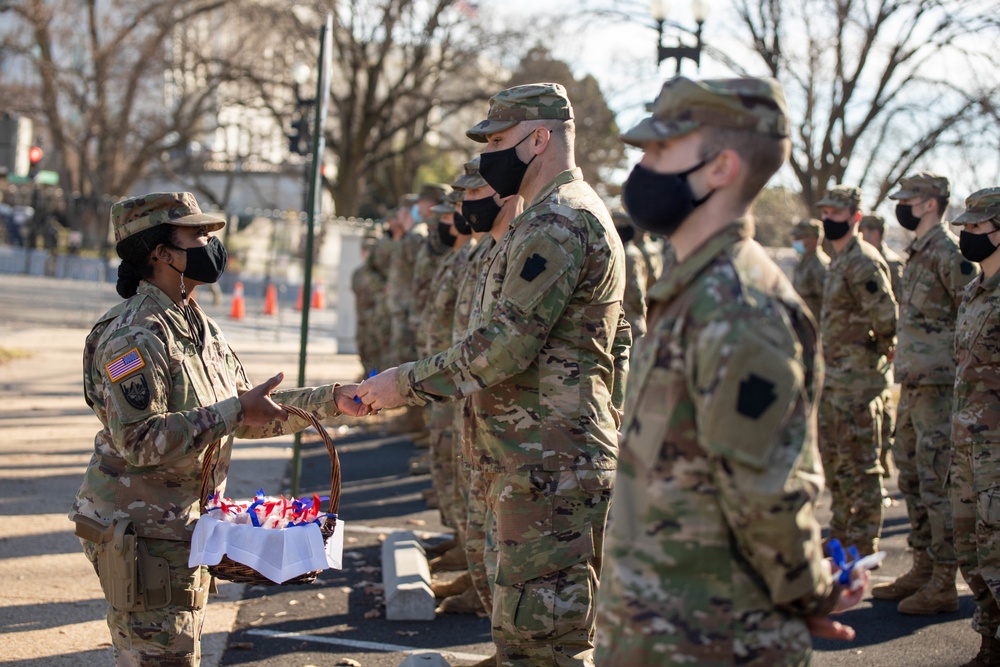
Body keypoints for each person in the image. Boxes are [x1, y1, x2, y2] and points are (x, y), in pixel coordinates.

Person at [593, 75, 866, 666]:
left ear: (721, 168)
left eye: (661, 149)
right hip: (655, 632)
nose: (641, 166)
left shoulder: (739, 307)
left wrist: (810, 589)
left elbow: (766, 492)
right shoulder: (695, 289)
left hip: (712, 642)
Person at [357, 82, 630, 666]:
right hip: (538, 463)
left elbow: (502, 347)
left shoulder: (560, 222)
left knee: (544, 649)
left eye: (499, 141)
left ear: (540, 139)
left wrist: (400, 384)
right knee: (525, 641)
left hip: (551, 469)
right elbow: (617, 342)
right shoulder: (549, 218)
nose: (488, 157)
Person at [68, 192, 369, 666]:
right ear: (162, 253)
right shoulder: (134, 335)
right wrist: (231, 412)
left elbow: (249, 409)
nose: (212, 245)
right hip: (142, 533)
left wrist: (331, 401)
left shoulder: (196, 322)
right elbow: (139, 441)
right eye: (198, 236)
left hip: (183, 529)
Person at [871, 172, 976, 614]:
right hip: (913, 385)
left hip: (938, 388)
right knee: (911, 475)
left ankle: (942, 580)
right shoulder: (918, 251)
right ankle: (921, 564)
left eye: (908, 200)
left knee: (936, 483)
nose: (902, 206)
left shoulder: (949, 253)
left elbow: (968, 311)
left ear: (930, 204)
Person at [816, 184, 898, 558]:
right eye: (826, 212)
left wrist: (874, 358)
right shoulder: (839, 260)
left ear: (856, 217)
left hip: (860, 383)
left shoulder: (863, 260)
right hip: (834, 382)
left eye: (836, 213)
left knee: (862, 466)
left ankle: (864, 545)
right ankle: (841, 536)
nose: (828, 219)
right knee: (836, 465)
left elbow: (886, 318)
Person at [948, 187, 1000, 667]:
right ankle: (991, 640)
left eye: (976, 227)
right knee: (969, 548)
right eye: (963, 227)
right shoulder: (972, 291)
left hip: (998, 452)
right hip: (966, 445)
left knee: (999, 552)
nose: (967, 235)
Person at [613, 210, 648, 341]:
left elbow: (635, 288)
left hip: (626, 319)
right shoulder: (630, 253)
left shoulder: (623, 252)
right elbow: (636, 289)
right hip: (630, 319)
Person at [789, 218, 830, 321]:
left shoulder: (819, 265)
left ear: (813, 239)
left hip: (815, 325)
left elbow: (827, 302)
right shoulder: (804, 261)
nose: (795, 241)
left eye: (799, 237)